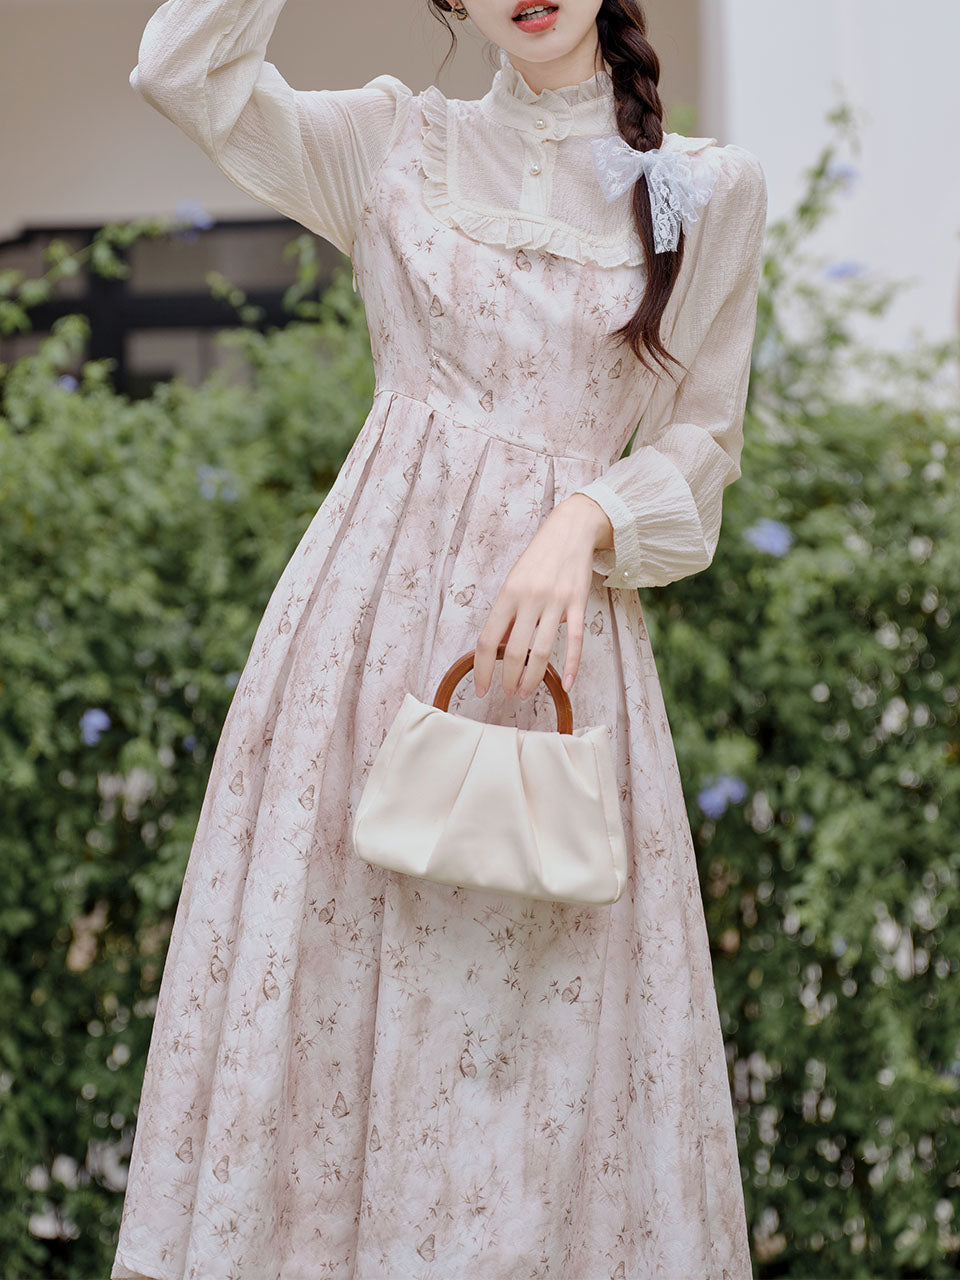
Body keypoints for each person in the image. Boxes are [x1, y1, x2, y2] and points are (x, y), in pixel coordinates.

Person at [112, 1, 767, 1276]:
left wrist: (586, 512)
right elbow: (177, 68)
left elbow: (703, 451)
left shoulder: (699, 190)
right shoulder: (391, 143)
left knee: (545, 1055)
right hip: (359, 652)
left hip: (559, 669)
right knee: (332, 1009)